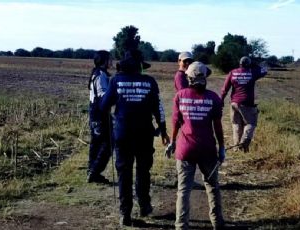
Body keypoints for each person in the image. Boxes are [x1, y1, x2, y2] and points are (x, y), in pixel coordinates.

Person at [100, 50, 170, 227]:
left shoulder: (116, 80)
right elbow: (158, 109)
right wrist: (163, 131)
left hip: (123, 133)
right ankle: (145, 205)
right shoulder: (150, 82)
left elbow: (104, 105)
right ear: (140, 66)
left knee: (124, 172)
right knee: (143, 170)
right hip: (145, 133)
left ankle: (125, 212)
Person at [166, 61, 225, 230]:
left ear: (189, 78)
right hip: (207, 150)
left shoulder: (180, 96)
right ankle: (217, 222)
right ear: (205, 78)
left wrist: (172, 142)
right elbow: (218, 127)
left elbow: (176, 122)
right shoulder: (213, 98)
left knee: (183, 190)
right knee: (212, 187)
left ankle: (181, 226)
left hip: (185, 150)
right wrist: (221, 147)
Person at [220, 56, 268, 152]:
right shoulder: (252, 72)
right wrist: (254, 64)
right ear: (249, 64)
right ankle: (243, 144)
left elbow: (224, 89)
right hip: (247, 103)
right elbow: (264, 70)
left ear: (240, 63)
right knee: (251, 123)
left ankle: (236, 146)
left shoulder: (232, 73)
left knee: (236, 124)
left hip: (234, 103)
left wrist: (221, 100)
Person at [87, 50, 112, 184]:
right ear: (104, 61)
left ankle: (91, 171)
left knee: (95, 144)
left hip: (94, 113)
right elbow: (103, 96)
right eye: (110, 59)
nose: (112, 61)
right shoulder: (101, 75)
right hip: (100, 114)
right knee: (108, 144)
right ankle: (94, 171)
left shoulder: (96, 73)